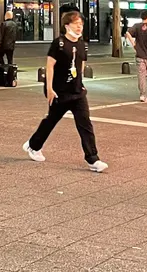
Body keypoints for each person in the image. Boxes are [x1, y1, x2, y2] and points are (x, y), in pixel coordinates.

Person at [23, 10, 105, 172]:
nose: (79, 27)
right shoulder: (59, 43)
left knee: (85, 125)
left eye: (81, 24)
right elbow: (50, 65)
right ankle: (33, 145)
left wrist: (81, 84)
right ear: (67, 25)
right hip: (60, 92)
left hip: (77, 93)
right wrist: (49, 89)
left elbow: (80, 65)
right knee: (51, 120)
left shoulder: (83, 44)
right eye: (76, 24)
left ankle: (92, 159)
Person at [125, 11, 147, 101]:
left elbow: (127, 33)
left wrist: (133, 44)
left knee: (141, 76)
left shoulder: (136, 26)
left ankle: (143, 95)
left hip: (139, 54)